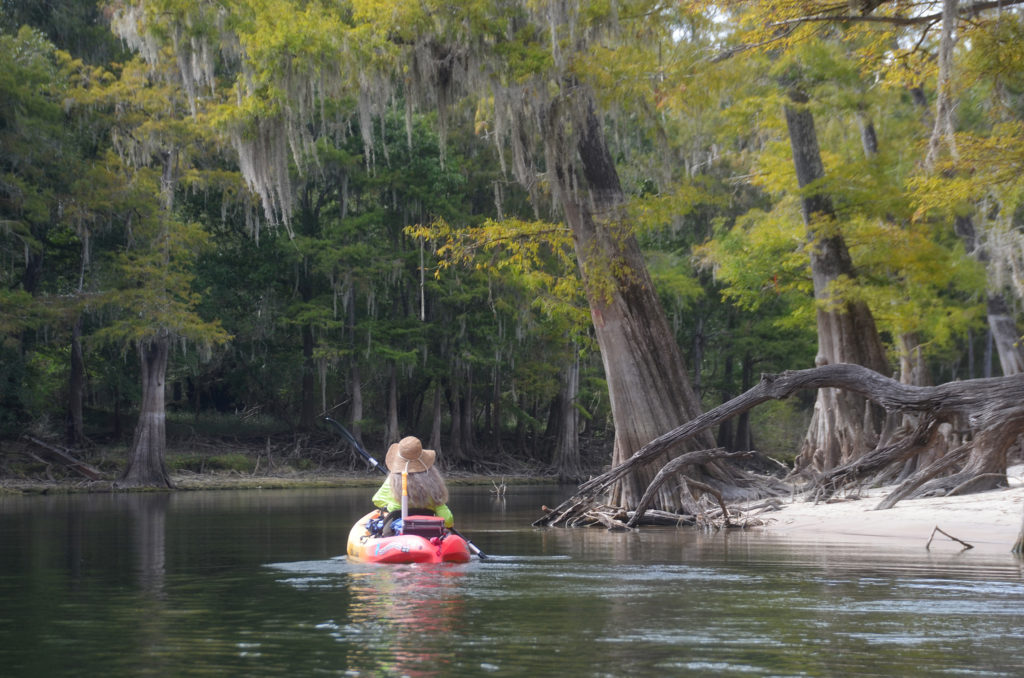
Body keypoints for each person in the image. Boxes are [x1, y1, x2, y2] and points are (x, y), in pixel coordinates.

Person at [371, 435, 453, 528]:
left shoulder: (392, 480)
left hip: (397, 531)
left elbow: (377, 500)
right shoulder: (433, 483)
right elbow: (448, 521)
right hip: (428, 533)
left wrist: (392, 505)